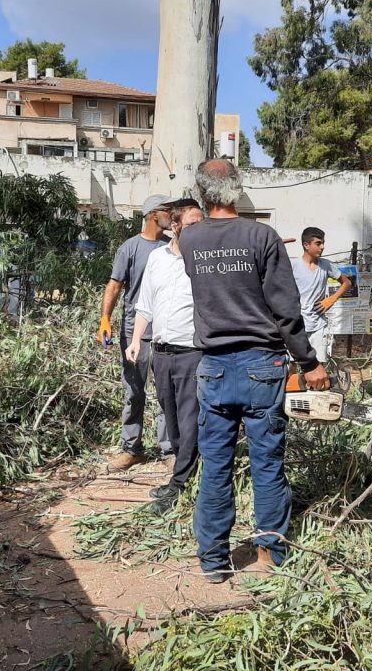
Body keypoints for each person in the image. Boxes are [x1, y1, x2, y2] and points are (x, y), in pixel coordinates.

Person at [180, 159, 330, 583]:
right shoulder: (261, 236)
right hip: (262, 367)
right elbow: (286, 311)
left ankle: (213, 561)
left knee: (216, 466)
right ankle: (269, 555)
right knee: (266, 465)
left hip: (212, 369)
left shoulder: (190, 240)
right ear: (237, 189)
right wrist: (310, 362)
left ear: (203, 193)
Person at [126, 202, 205, 514]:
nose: (200, 228)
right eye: (193, 223)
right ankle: (181, 476)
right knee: (170, 418)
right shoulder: (157, 258)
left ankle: (180, 486)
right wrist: (136, 341)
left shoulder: (203, 260)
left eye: (203, 222)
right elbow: (144, 304)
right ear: (176, 226)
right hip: (161, 353)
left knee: (190, 421)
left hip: (193, 353)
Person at [98, 194, 176, 472]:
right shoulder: (130, 248)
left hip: (166, 332)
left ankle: (169, 449)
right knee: (134, 391)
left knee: (167, 392)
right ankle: (132, 449)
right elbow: (115, 286)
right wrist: (105, 319)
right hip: (135, 332)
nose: (172, 215)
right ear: (154, 214)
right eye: (168, 211)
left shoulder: (172, 248)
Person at [291, 227, 355, 363]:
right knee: (292, 365)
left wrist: (332, 299)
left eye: (323, 243)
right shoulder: (293, 265)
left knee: (319, 365)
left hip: (318, 324)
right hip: (297, 324)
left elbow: (347, 283)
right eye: (318, 243)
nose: (322, 247)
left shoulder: (326, 265)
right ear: (306, 245)